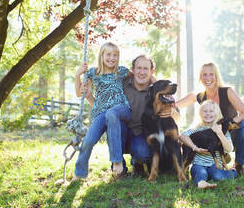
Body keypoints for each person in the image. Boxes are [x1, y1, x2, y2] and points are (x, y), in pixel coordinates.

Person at [177, 62, 244, 175]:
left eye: (211, 74)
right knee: (190, 136)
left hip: (230, 135)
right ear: (200, 78)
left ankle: (239, 164)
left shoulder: (227, 91)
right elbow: (176, 105)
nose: (208, 78)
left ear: (216, 76)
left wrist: (227, 125)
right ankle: (191, 162)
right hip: (213, 138)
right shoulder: (200, 96)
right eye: (204, 75)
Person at [72, 42, 131, 181]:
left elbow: (140, 78)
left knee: (112, 113)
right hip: (101, 113)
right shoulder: (93, 73)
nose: (112, 58)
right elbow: (80, 93)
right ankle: (79, 173)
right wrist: (77, 75)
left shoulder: (121, 71)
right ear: (102, 55)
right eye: (108, 54)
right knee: (88, 140)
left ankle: (117, 161)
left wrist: (154, 80)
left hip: (121, 109)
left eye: (115, 55)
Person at [121, 54, 179, 176]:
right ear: (133, 70)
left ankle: (138, 162)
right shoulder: (123, 84)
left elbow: (177, 115)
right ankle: (119, 169)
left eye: (146, 68)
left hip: (140, 133)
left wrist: (173, 112)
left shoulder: (158, 89)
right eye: (139, 68)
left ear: (152, 71)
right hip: (123, 131)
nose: (142, 72)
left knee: (143, 153)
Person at [179, 100, 238, 188]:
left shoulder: (223, 130)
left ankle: (231, 173)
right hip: (199, 164)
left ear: (217, 113)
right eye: (205, 111)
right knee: (200, 172)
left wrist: (220, 133)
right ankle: (201, 182)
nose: (208, 114)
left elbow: (229, 149)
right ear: (200, 113)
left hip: (215, 166)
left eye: (211, 111)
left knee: (217, 175)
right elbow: (182, 136)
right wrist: (195, 147)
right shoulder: (196, 129)